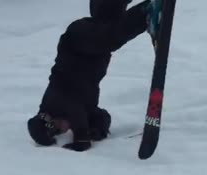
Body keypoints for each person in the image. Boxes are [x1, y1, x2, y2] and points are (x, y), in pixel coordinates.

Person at [27, 0, 154, 151]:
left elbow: (73, 107)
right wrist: (95, 130)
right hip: (92, 50)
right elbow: (102, 117)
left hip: (76, 41)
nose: (63, 129)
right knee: (108, 18)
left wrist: (81, 139)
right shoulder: (78, 112)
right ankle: (148, 11)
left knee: (108, 37)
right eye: (58, 132)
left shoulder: (53, 101)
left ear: (47, 118)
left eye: (54, 127)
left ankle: (147, 10)